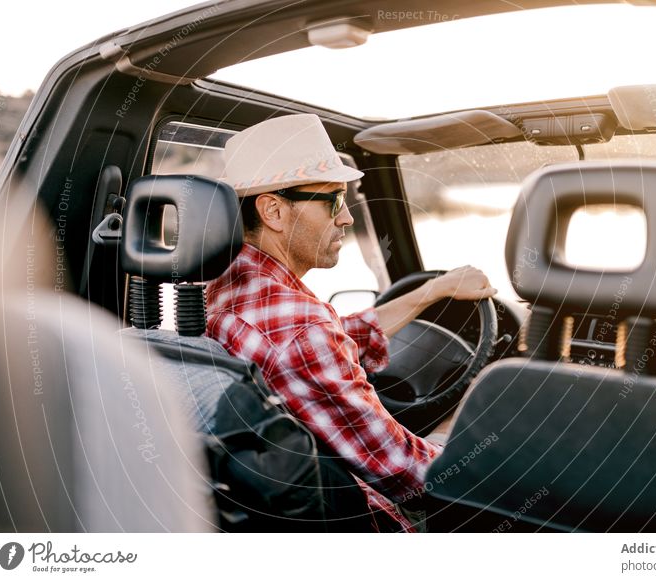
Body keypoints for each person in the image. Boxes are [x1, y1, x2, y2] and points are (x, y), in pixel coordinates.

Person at [206, 113, 496, 531]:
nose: (347, 218)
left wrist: (432, 291)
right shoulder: (300, 328)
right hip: (373, 518)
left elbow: (324, 342)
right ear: (273, 210)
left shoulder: (224, 287)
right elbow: (407, 475)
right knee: (481, 423)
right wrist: (497, 456)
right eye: (334, 202)